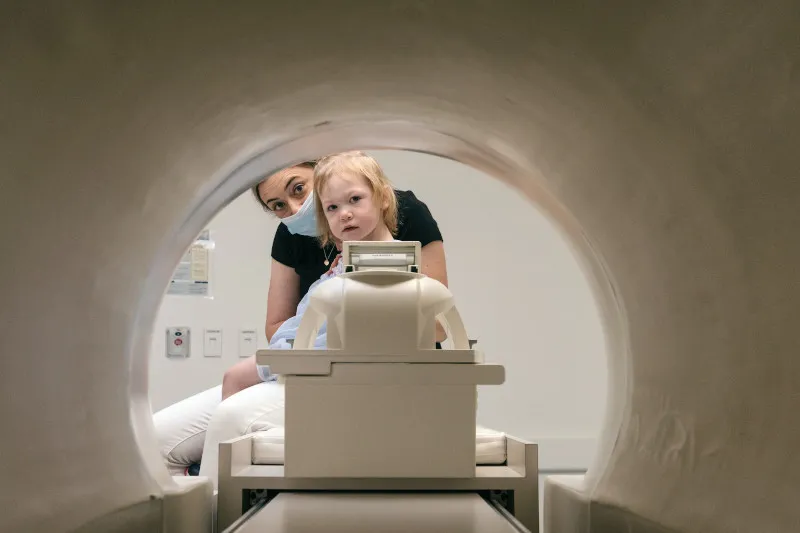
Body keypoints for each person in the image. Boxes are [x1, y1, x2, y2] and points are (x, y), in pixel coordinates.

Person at [153, 151, 449, 481]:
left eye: (298, 190)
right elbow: (280, 326)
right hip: (298, 363)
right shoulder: (305, 246)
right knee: (157, 438)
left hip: (364, 379)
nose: (294, 210)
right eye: (277, 205)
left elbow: (434, 326)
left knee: (231, 417)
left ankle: (217, 507)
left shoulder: (402, 222)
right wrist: (289, 355)